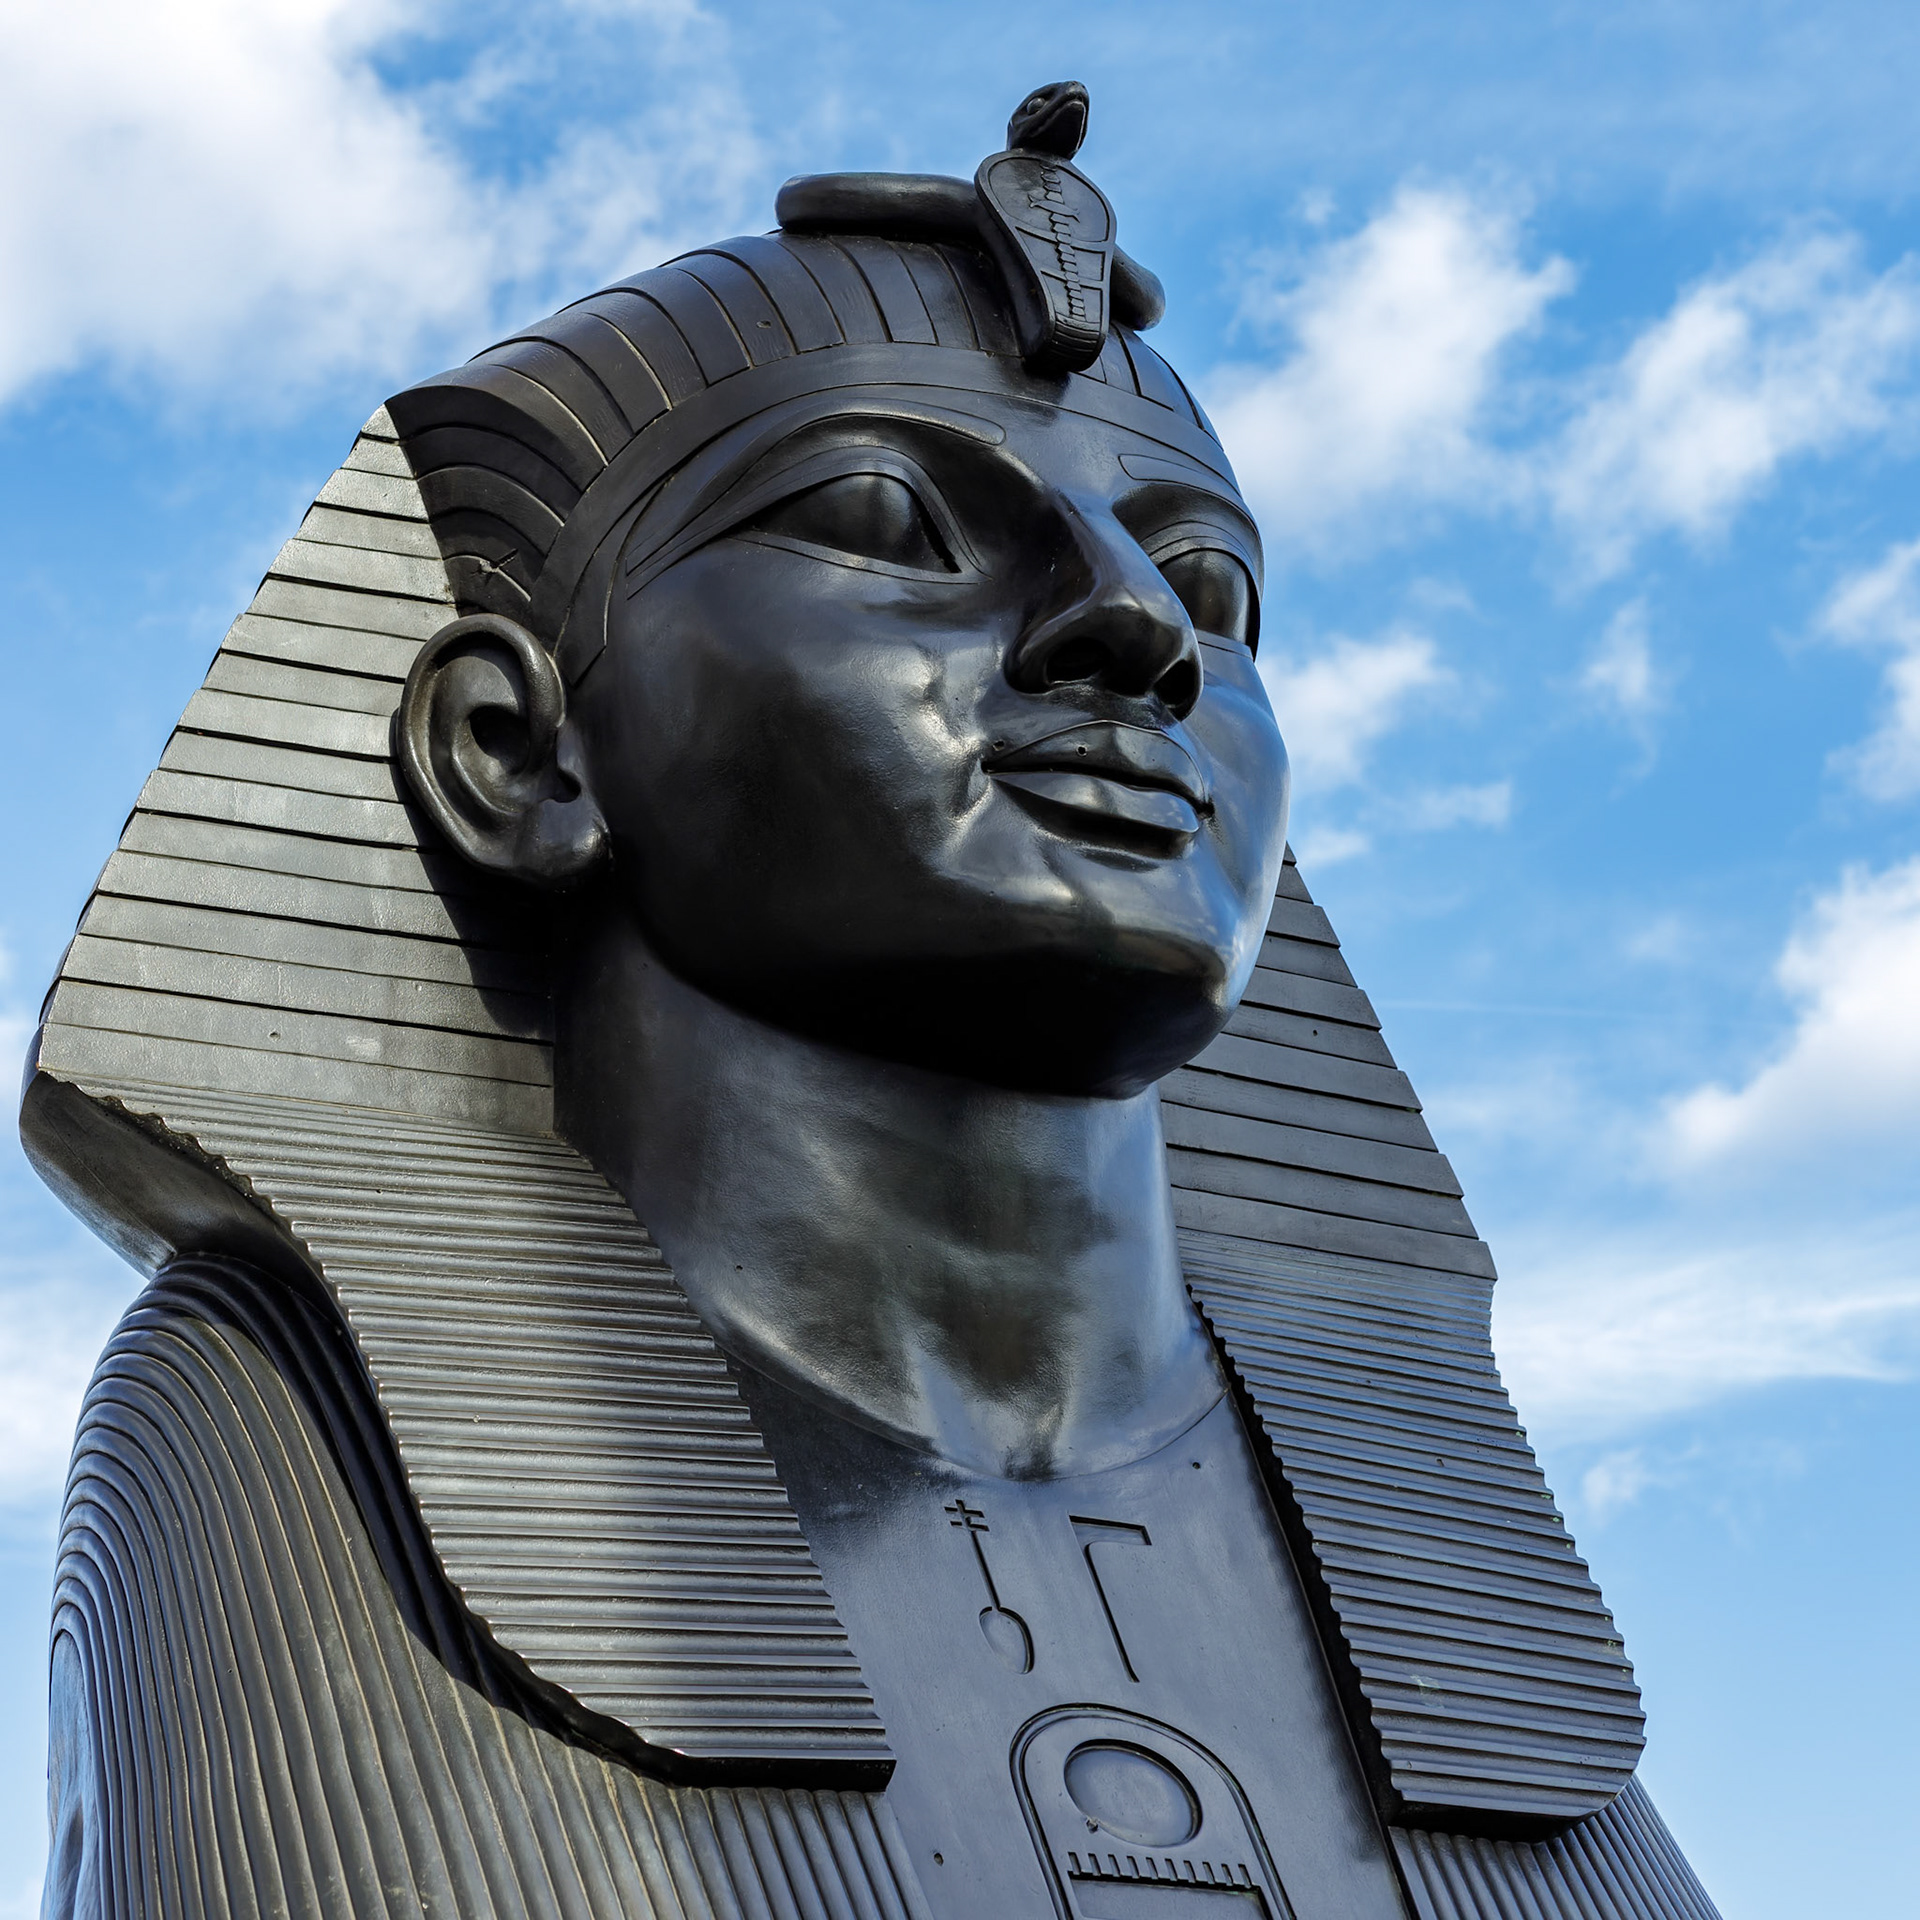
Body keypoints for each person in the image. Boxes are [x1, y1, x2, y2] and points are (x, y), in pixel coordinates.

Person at [25, 86, 1717, 1919]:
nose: (1138, 629)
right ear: (513, 748)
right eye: (886, 517)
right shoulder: (295, 1414)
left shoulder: (1425, 1580)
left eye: (1214, 581)